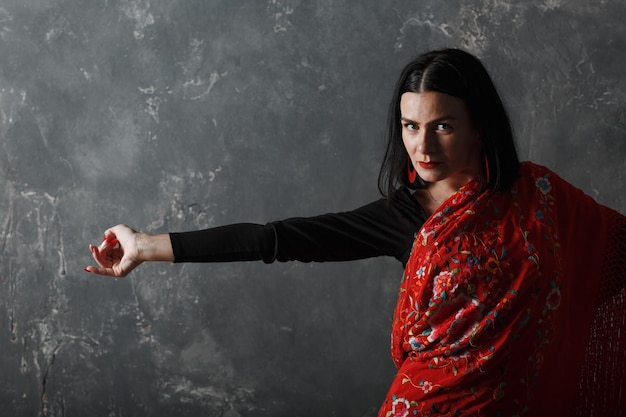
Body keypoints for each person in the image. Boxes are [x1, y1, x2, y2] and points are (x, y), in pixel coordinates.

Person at [84, 49, 626, 416]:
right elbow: (280, 239)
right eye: (411, 126)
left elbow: (615, 258)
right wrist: (146, 245)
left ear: (479, 125)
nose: (423, 146)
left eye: (442, 125)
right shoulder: (404, 216)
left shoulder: (541, 196)